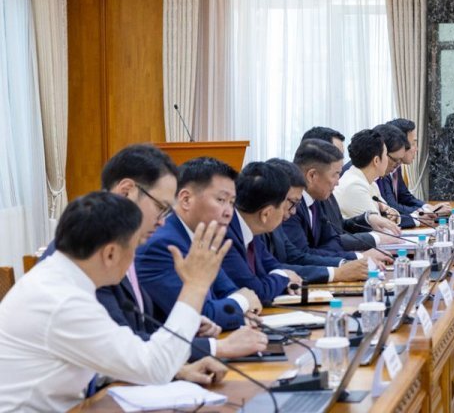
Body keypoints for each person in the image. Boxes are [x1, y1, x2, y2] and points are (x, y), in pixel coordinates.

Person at [0, 193, 233, 411]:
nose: (133, 259)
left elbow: (103, 354)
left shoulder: (60, 279)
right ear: (110, 253)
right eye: (133, 248)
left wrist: (178, 370)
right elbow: (155, 368)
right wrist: (195, 286)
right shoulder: (64, 301)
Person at [40, 145, 266, 362]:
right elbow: (123, 351)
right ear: (126, 192)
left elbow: (139, 331)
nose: (161, 222)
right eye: (160, 207)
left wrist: (185, 336)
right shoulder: (88, 252)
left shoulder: (122, 247)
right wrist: (217, 347)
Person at [138, 158, 262, 330]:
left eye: (232, 202)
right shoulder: (163, 245)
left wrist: (240, 304)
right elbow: (198, 314)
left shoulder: (203, 238)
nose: (229, 212)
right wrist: (242, 303)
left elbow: (229, 291)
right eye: (221, 200)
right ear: (186, 200)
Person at [282, 138, 394, 265]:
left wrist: (356, 257)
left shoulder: (316, 199)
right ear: (312, 175)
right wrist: (357, 257)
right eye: (335, 174)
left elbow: (332, 241)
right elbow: (300, 256)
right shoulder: (290, 206)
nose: (338, 182)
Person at [263, 158, 368, 284]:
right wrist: (337, 273)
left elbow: (296, 257)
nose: (293, 211)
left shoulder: (276, 223)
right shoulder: (252, 229)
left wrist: (343, 265)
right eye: (292, 203)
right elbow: (267, 271)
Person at [221, 162, 304, 303]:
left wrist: (281, 276)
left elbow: (273, 266)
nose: (292, 212)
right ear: (266, 213)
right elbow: (257, 291)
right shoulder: (225, 235)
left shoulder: (251, 228)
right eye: (284, 206)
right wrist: (284, 278)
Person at [334, 129, 392, 221]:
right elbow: (380, 225)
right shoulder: (354, 186)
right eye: (386, 154)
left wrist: (392, 214)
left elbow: (389, 212)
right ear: (376, 161)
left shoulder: (370, 182)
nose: (387, 159)